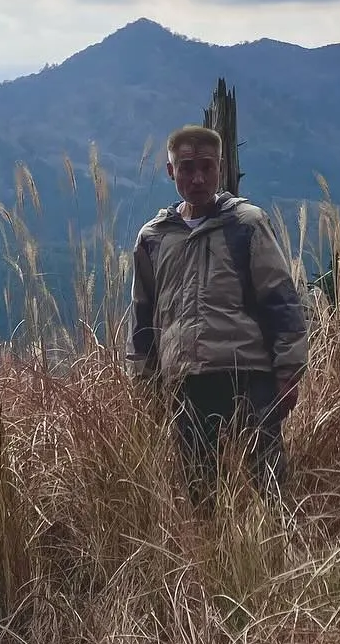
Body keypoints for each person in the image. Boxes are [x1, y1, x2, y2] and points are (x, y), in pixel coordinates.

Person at [127, 123, 308, 507]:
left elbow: (281, 300)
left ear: (221, 168)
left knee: (269, 486)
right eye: (187, 167)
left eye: (207, 167)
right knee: (200, 490)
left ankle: (280, 558)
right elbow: (143, 318)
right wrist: (145, 383)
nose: (197, 178)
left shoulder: (246, 225)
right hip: (187, 382)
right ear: (170, 170)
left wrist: (288, 372)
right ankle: (213, 563)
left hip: (249, 377)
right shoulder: (154, 238)